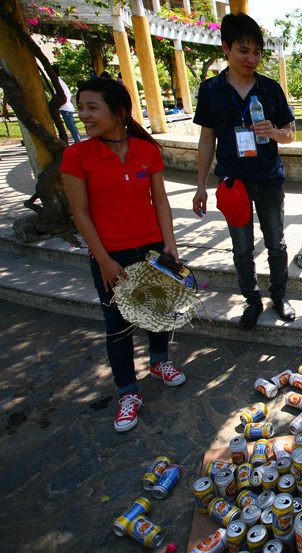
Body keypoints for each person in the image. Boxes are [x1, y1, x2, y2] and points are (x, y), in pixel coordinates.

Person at [61, 77, 186, 433]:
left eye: (91, 107)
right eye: (81, 107)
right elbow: (80, 213)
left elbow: (159, 200)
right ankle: (128, 391)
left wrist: (169, 243)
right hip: (110, 252)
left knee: (158, 309)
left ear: (118, 112)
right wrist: (103, 260)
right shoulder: (77, 155)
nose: (83, 114)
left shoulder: (147, 151)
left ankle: (160, 362)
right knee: (117, 325)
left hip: (150, 248)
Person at [193, 13, 296, 328]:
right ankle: (252, 300)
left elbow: (290, 134)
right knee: (242, 247)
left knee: (276, 242)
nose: (252, 58)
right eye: (243, 50)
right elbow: (206, 139)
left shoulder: (270, 89)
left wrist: (273, 132)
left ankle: (279, 295)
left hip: (268, 178)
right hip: (232, 182)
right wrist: (200, 186)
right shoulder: (211, 90)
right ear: (226, 47)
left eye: (257, 52)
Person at [53, 65, 82, 144]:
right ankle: (77, 141)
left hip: (66, 108)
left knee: (71, 126)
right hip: (65, 108)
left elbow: (63, 96)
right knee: (70, 126)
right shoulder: (59, 82)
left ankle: (78, 141)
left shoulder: (58, 82)